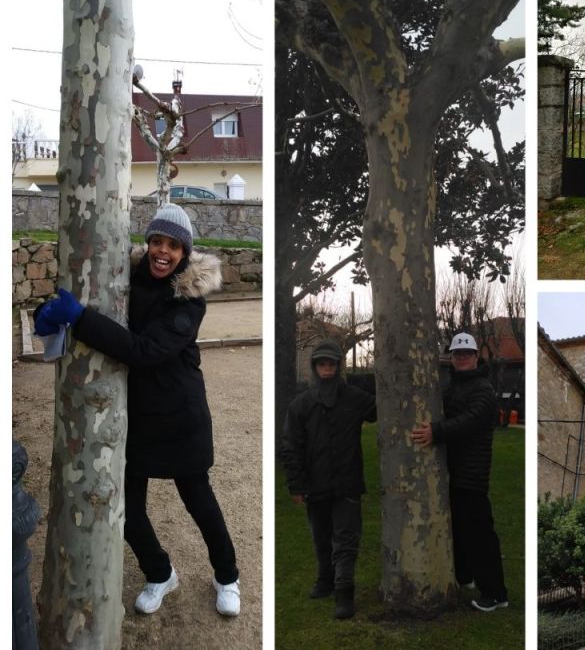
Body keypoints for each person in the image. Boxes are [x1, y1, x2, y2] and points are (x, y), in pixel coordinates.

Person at [34, 204, 241, 616]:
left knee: (200, 503)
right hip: (136, 417)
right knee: (127, 508)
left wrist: (80, 318)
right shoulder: (123, 278)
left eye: (173, 246)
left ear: (185, 252)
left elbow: (144, 351)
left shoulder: (189, 300)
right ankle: (160, 573)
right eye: (157, 242)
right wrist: (48, 313)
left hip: (181, 418)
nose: (163, 252)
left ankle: (227, 576)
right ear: (147, 244)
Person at [410, 332, 508, 612]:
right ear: (452, 358)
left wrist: (436, 432)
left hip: (471, 475)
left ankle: (495, 594)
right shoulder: (453, 387)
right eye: (458, 354)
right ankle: (465, 576)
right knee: (459, 529)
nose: (462, 358)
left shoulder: (483, 389)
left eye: (467, 354)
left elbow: (470, 421)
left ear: (476, 357)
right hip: (454, 471)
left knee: (480, 535)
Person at [280, 339, 376, 619]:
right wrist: (296, 485)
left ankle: (344, 592)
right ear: (315, 367)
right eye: (322, 364)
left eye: (331, 364)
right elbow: (291, 446)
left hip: (347, 482)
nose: (326, 369)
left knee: (345, 540)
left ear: (338, 366)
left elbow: (379, 408)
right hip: (315, 483)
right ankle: (325, 579)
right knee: (321, 537)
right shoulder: (301, 404)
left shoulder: (354, 398)